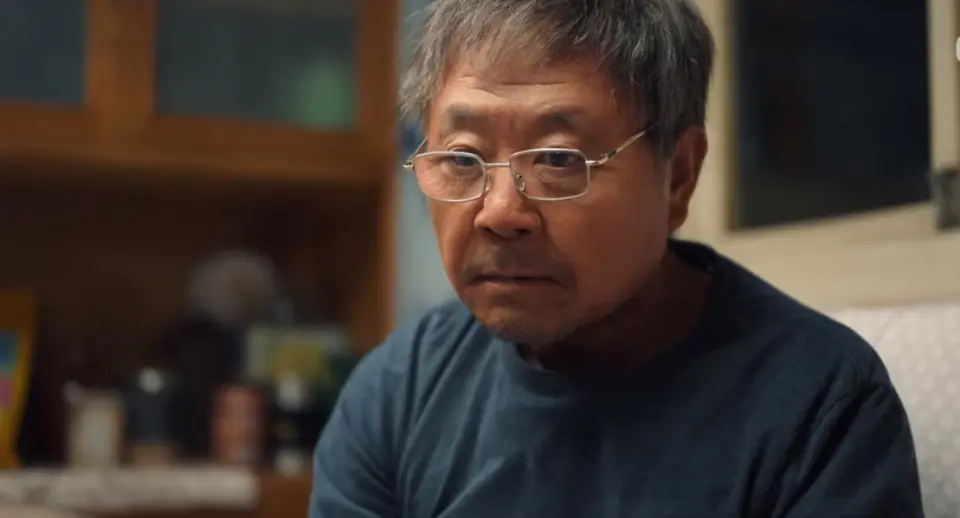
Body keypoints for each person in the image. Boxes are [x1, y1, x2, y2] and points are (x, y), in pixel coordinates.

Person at [310, 0, 924, 516]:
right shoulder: (397, 396)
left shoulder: (820, 409)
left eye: (558, 159)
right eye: (462, 157)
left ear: (678, 176)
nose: (499, 211)